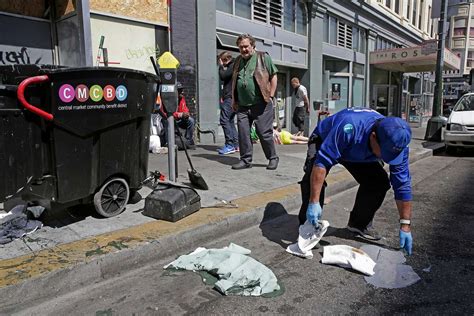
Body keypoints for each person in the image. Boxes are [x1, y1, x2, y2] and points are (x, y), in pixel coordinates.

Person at [299, 107, 413, 255]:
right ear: (373, 137)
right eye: (385, 153)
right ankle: (307, 228)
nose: (387, 159)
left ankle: (358, 224)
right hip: (326, 139)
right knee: (311, 180)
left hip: (358, 151)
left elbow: (402, 185)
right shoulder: (349, 127)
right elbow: (322, 163)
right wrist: (313, 202)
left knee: (378, 182)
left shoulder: (398, 142)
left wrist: (405, 225)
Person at [231, 33, 279, 170]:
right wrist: (234, 100)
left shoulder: (263, 57)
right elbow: (235, 81)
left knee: (264, 133)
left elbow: (273, 76)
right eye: (241, 47)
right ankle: (246, 160)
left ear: (253, 46)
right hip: (242, 105)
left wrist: (270, 95)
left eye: (246, 46)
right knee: (243, 133)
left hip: (262, 104)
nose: (244, 49)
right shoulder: (238, 61)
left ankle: (273, 158)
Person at [218, 51, 239, 155]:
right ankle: (235, 145)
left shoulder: (233, 66)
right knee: (230, 121)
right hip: (231, 97)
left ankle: (230, 145)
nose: (221, 62)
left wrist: (221, 67)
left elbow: (223, 76)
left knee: (224, 120)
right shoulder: (234, 66)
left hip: (230, 98)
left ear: (226, 59)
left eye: (222, 60)